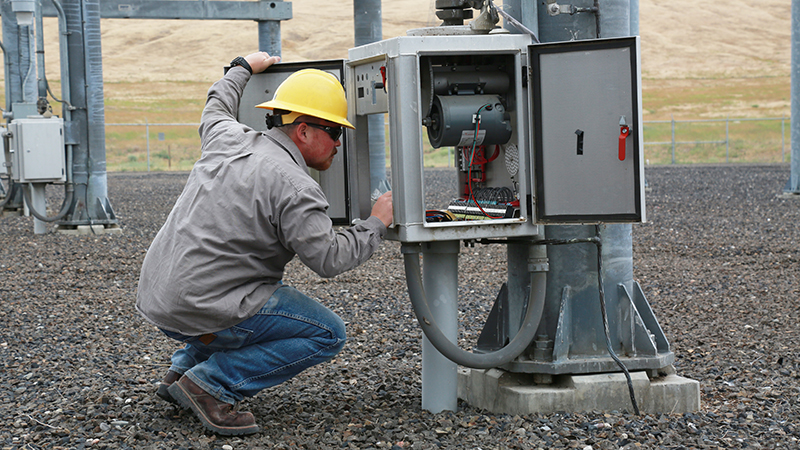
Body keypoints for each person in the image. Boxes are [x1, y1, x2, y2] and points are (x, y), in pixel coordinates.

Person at [136, 51, 393, 436]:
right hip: (203, 306)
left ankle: (183, 369)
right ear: (304, 131)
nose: (339, 143)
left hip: (158, 297)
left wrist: (242, 67)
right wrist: (377, 222)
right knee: (327, 333)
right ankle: (209, 386)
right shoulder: (295, 187)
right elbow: (330, 258)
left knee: (254, 289)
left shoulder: (226, 136)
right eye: (335, 132)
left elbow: (216, 102)